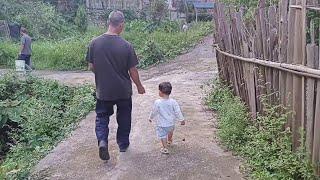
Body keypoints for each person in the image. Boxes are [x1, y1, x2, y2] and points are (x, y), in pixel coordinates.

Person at [86, 10, 145, 161]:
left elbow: (91, 66)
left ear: (108, 22)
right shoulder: (126, 46)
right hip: (123, 90)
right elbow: (133, 71)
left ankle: (103, 141)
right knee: (124, 117)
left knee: (102, 117)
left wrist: (102, 76)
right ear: (121, 25)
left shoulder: (94, 43)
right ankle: (123, 144)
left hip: (103, 90)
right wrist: (139, 86)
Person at [149, 82, 185, 154]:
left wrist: (150, 117)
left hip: (161, 124)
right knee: (170, 131)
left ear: (161, 92)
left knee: (162, 135)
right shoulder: (173, 102)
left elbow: (154, 111)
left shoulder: (157, 102)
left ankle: (165, 148)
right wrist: (182, 119)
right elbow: (178, 111)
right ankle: (169, 140)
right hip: (171, 123)